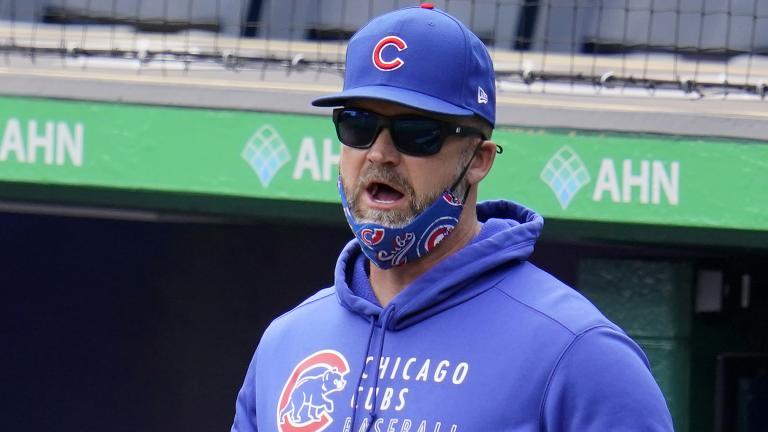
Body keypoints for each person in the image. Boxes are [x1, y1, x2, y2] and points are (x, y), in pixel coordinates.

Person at [232, 4, 674, 432]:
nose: (380, 153)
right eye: (358, 125)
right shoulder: (286, 342)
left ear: (478, 160)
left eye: (416, 133)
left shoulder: (578, 351)